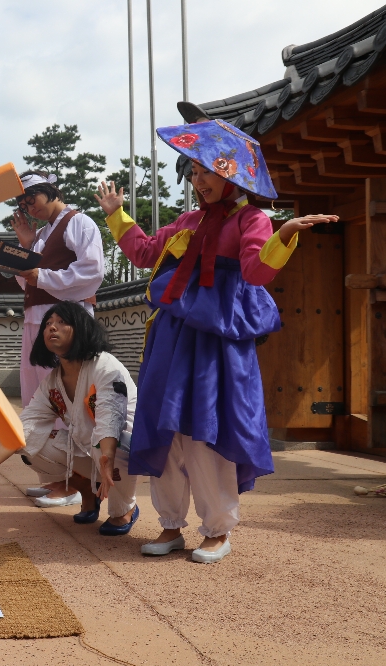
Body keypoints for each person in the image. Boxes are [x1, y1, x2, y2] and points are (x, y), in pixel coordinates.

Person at [94, 119, 338, 563]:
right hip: (172, 337)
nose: (197, 179)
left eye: (206, 171)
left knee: (207, 432)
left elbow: (257, 273)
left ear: (232, 176)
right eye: (194, 171)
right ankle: (170, 525)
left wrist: (284, 234)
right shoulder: (187, 222)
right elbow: (146, 252)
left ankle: (217, 530)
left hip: (217, 341)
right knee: (167, 430)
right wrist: (116, 213)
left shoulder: (252, 218)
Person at [0, 302, 139, 535]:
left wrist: (107, 455)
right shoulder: (52, 383)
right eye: (48, 324)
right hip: (90, 452)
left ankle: (125, 509)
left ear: (81, 328)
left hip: (123, 450)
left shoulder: (105, 365)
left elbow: (111, 417)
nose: (52, 328)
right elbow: (24, 426)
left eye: (61, 322)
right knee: (30, 442)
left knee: (109, 444)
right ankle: (87, 490)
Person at [10, 171, 105, 409]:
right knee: (36, 379)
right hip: (37, 317)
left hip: (65, 317)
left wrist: (42, 276)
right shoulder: (41, 235)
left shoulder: (79, 222)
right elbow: (30, 282)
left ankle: (70, 439)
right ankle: (42, 438)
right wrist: (27, 247)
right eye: (23, 206)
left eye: (31, 200)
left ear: (48, 190)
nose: (29, 209)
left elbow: (92, 270)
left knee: (64, 381)